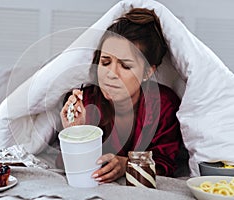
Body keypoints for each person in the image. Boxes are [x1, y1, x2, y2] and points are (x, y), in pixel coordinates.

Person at [59, 8, 187, 184]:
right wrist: (74, 132)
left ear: (148, 72)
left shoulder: (163, 105)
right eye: (105, 62)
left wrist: (127, 164)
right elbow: (73, 167)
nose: (110, 74)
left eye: (125, 66)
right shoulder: (86, 102)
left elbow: (166, 164)